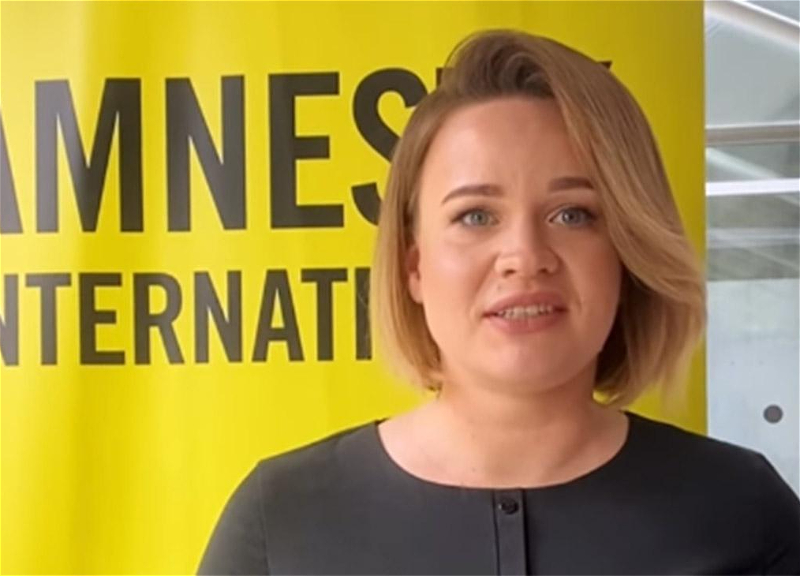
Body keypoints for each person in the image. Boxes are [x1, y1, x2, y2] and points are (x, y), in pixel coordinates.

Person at [197, 29, 800, 575]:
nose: (525, 256)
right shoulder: (281, 523)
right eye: (476, 216)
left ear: (626, 251)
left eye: (573, 214)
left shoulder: (745, 513)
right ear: (413, 266)